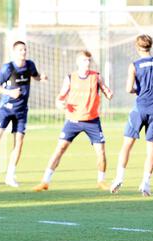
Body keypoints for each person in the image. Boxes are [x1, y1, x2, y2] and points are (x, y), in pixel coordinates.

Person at [33, 50, 113, 192]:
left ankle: (101, 180)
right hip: (73, 120)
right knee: (60, 149)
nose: (87, 63)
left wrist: (109, 93)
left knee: (101, 151)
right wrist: (60, 103)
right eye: (84, 60)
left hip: (92, 121)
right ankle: (45, 181)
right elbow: (60, 97)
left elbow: (106, 90)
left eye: (89, 60)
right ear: (78, 62)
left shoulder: (96, 77)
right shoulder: (70, 78)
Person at [110, 34, 153, 196]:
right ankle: (145, 183)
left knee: (127, 144)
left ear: (137, 47)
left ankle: (119, 177)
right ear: (150, 46)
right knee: (152, 147)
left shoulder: (134, 65)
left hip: (139, 110)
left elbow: (128, 89)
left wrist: (137, 89)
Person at [0, 40, 47, 187]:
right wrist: (9, 92)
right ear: (14, 52)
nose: (23, 52)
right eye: (20, 50)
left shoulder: (30, 65)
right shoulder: (8, 68)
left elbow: (35, 75)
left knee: (19, 143)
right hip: (6, 109)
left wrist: (41, 78)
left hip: (22, 111)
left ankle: (10, 175)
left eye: (24, 50)